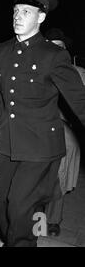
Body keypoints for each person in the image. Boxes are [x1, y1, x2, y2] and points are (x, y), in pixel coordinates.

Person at [0, 0, 85, 246]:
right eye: (15, 11)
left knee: (20, 207)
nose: (17, 17)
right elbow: (3, 100)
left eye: (26, 12)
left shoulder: (53, 55)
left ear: (41, 17)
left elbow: (79, 99)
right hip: (8, 143)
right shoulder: (1, 51)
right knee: (3, 208)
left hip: (40, 146)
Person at [43, 28, 82, 237]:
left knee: (60, 172)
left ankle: (53, 220)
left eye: (59, 48)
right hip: (34, 125)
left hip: (62, 127)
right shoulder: (34, 68)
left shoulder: (77, 73)